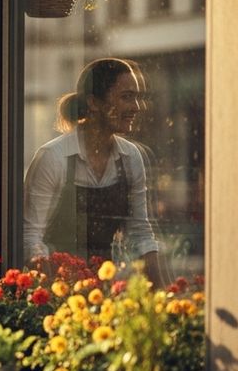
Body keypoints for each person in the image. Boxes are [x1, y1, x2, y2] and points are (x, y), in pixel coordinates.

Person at [23, 57, 164, 284]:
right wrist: (50, 294)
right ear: (94, 103)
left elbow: (140, 233)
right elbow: (31, 237)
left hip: (105, 288)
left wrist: (164, 294)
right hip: (56, 286)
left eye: (137, 98)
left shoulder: (131, 158)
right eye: (127, 97)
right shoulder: (54, 158)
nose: (136, 108)